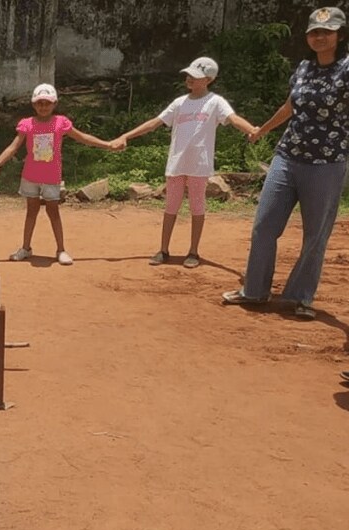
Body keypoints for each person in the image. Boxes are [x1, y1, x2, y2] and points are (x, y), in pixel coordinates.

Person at [222, 7, 349, 320]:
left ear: (340, 35)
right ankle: (253, 291)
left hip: (326, 162)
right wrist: (262, 130)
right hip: (287, 156)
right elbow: (290, 105)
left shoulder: (346, 69)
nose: (320, 37)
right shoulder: (304, 67)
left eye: (327, 31)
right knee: (264, 225)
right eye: (314, 32)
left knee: (315, 234)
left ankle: (298, 298)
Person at [115, 57, 256, 268]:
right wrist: (126, 135)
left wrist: (252, 129)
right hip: (176, 163)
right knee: (171, 206)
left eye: (195, 76)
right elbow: (155, 123)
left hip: (199, 165)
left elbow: (233, 118)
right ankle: (163, 249)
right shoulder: (179, 103)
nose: (189, 79)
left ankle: (193, 252)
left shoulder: (215, 102)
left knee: (197, 207)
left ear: (208, 80)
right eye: (189, 75)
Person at [0, 84, 121, 265]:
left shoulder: (61, 122)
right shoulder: (27, 124)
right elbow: (13, 147)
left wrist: (107, 144)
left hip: (51, 177)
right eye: (40, 103)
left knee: (53, 212)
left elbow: (83, 137)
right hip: (30, 176)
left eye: (47, 103)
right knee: (31, 211)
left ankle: (61, 250)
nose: (43, 106)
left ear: (54, 103)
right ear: (34, 104)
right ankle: (25, 248)